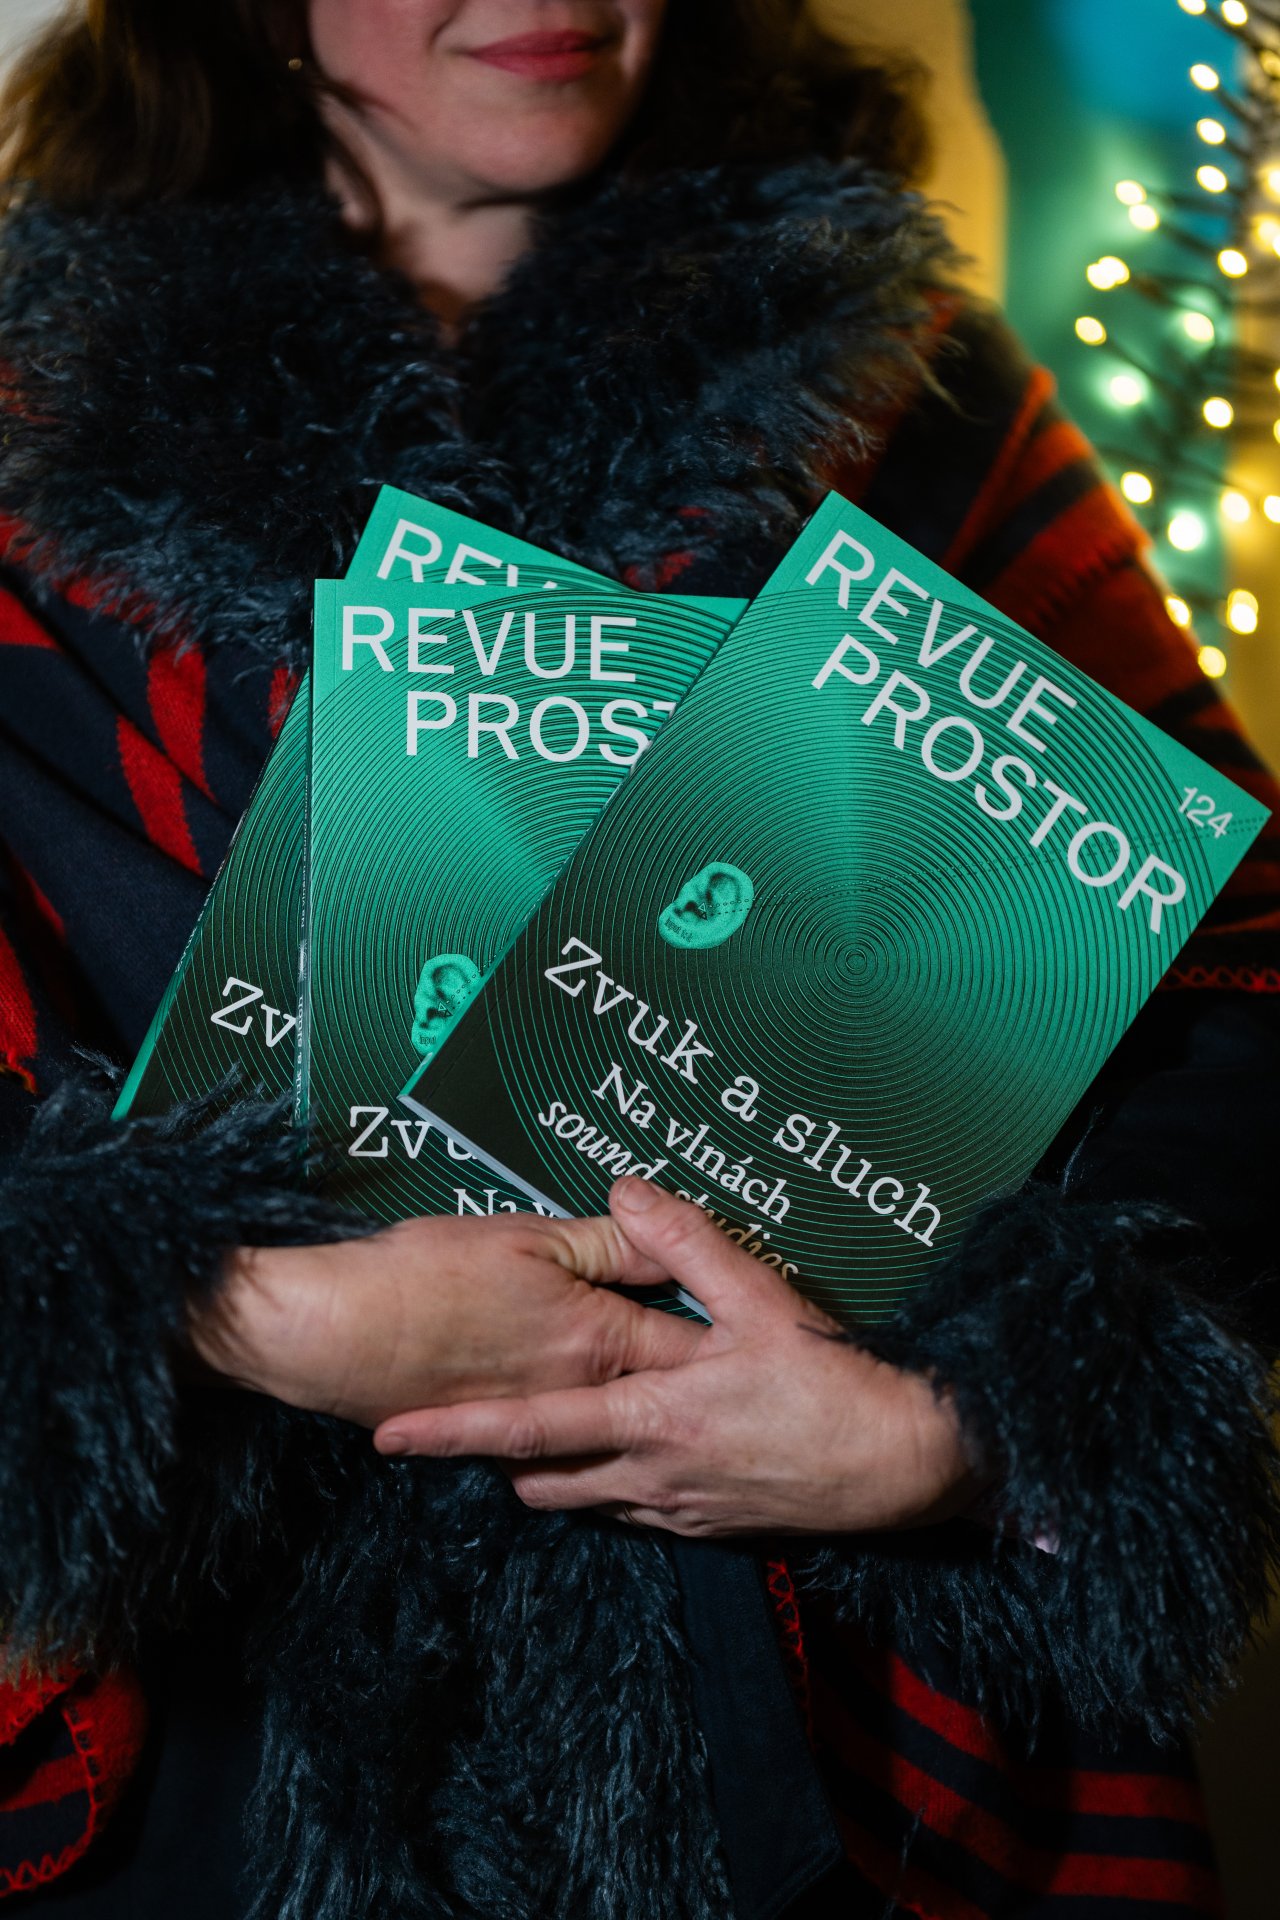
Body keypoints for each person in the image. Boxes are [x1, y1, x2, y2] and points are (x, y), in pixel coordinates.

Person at [0, 2, 1278, 1915]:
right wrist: (237, 1312)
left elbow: (1244, 995)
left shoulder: (906, 386)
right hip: (222, 1729)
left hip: (837, 1726)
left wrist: (950, 1434)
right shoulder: (29, 429)